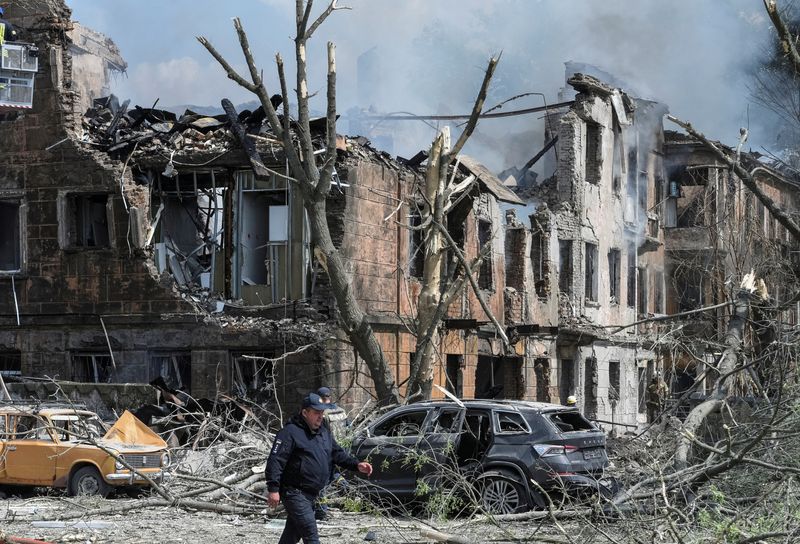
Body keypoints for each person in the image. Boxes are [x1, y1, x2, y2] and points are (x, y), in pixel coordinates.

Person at [266, 392, 372, 544]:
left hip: (312, 494)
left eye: (322, 412)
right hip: (294, 493)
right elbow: (276, 460)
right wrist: (273, 489)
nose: (320, 416)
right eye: (316, 412)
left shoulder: (323, 432)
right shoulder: (289, 433)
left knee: (291, 536)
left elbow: (337, 454)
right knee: (311, 535)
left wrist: (356, 465)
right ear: (305, 412)